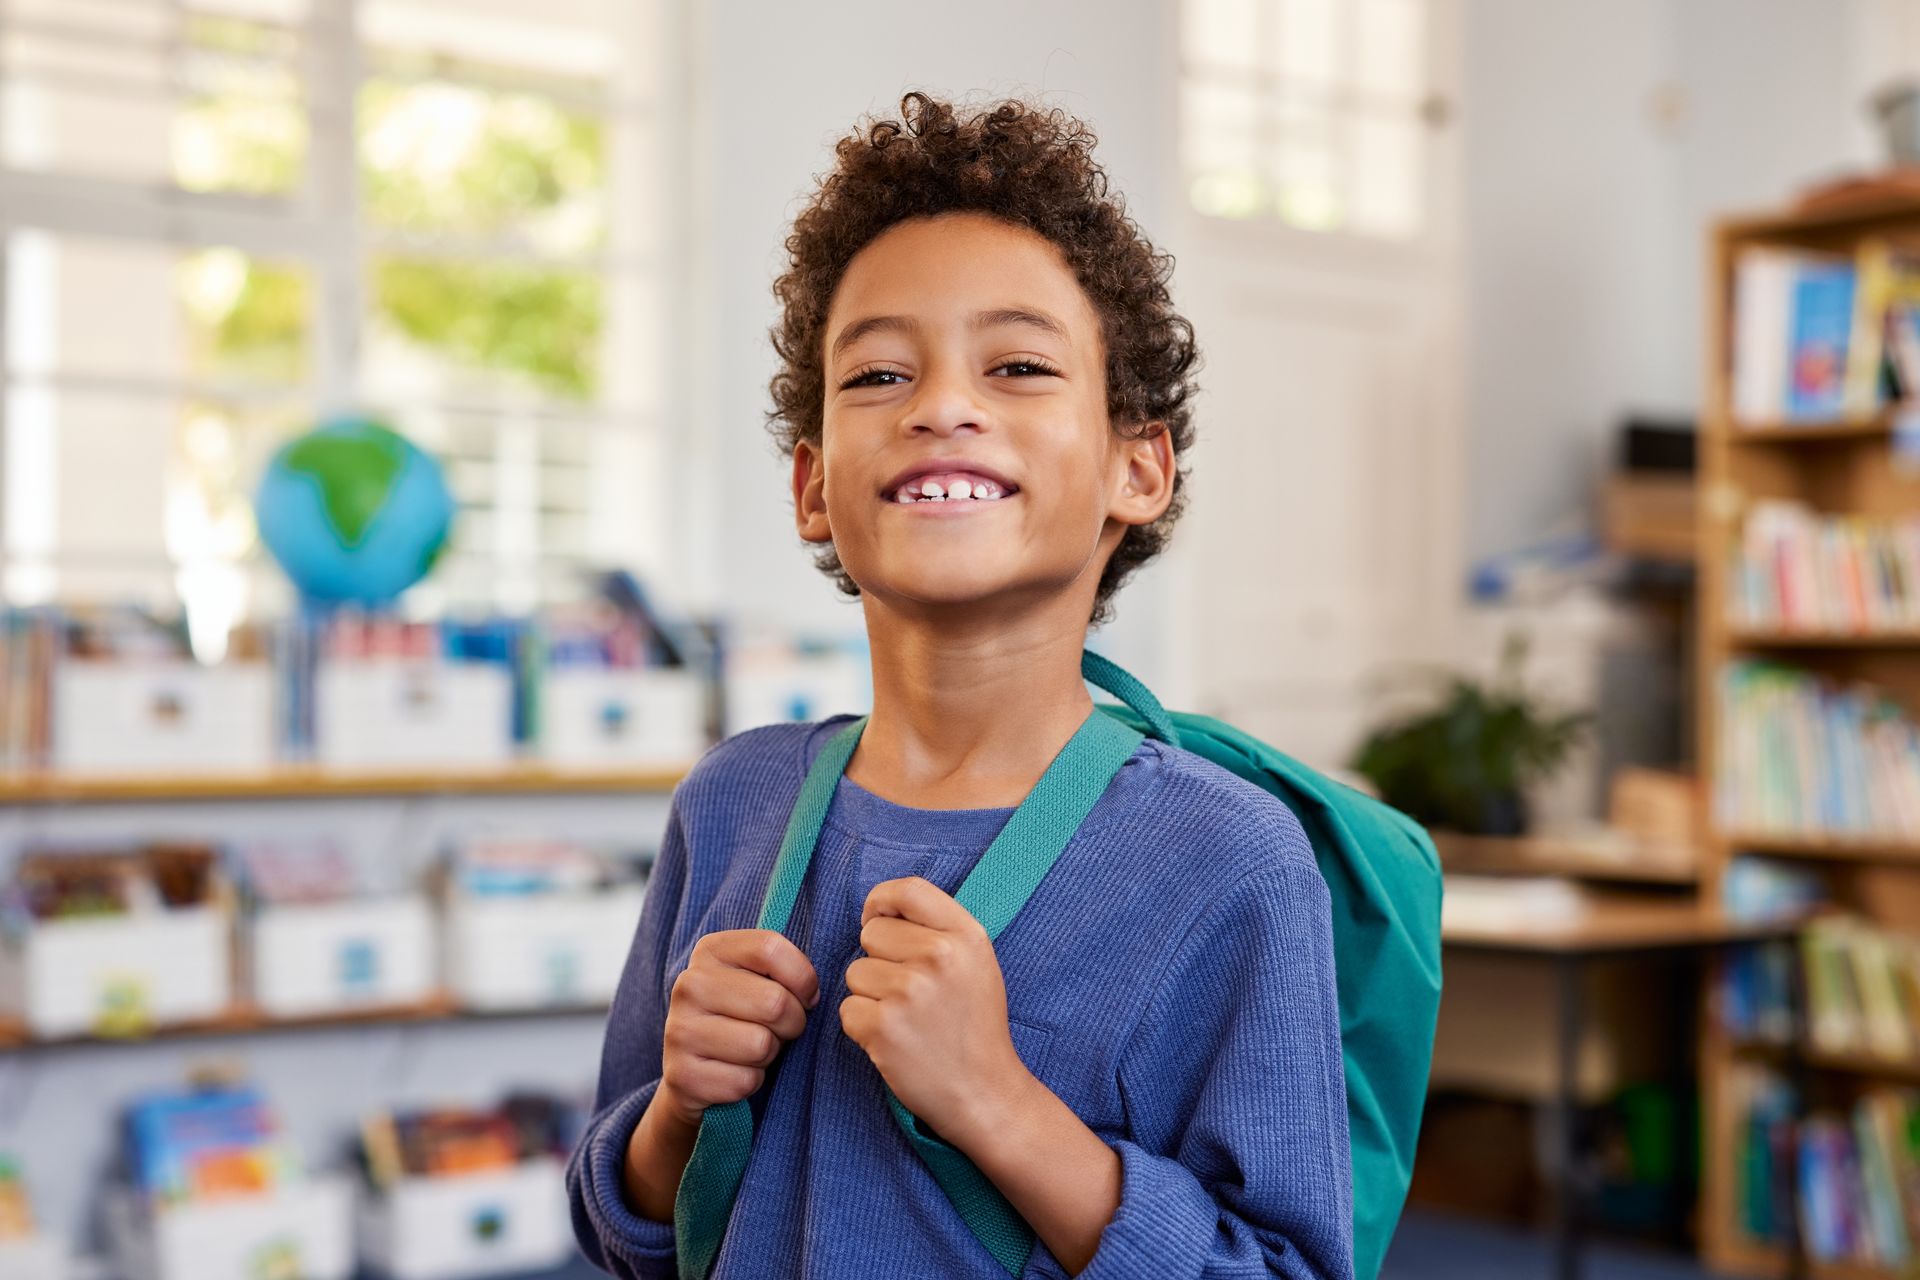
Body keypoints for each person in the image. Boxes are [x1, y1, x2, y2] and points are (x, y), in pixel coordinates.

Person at [567, 90, 1353, 1280]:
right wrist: (677, 1110)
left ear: (1135, 469)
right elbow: (619, 1226)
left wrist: (996, 1099)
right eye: (878, 373)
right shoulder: (730, 806)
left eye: (1021, 363)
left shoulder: (1230, 859)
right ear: (813, 487)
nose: (940, 404)